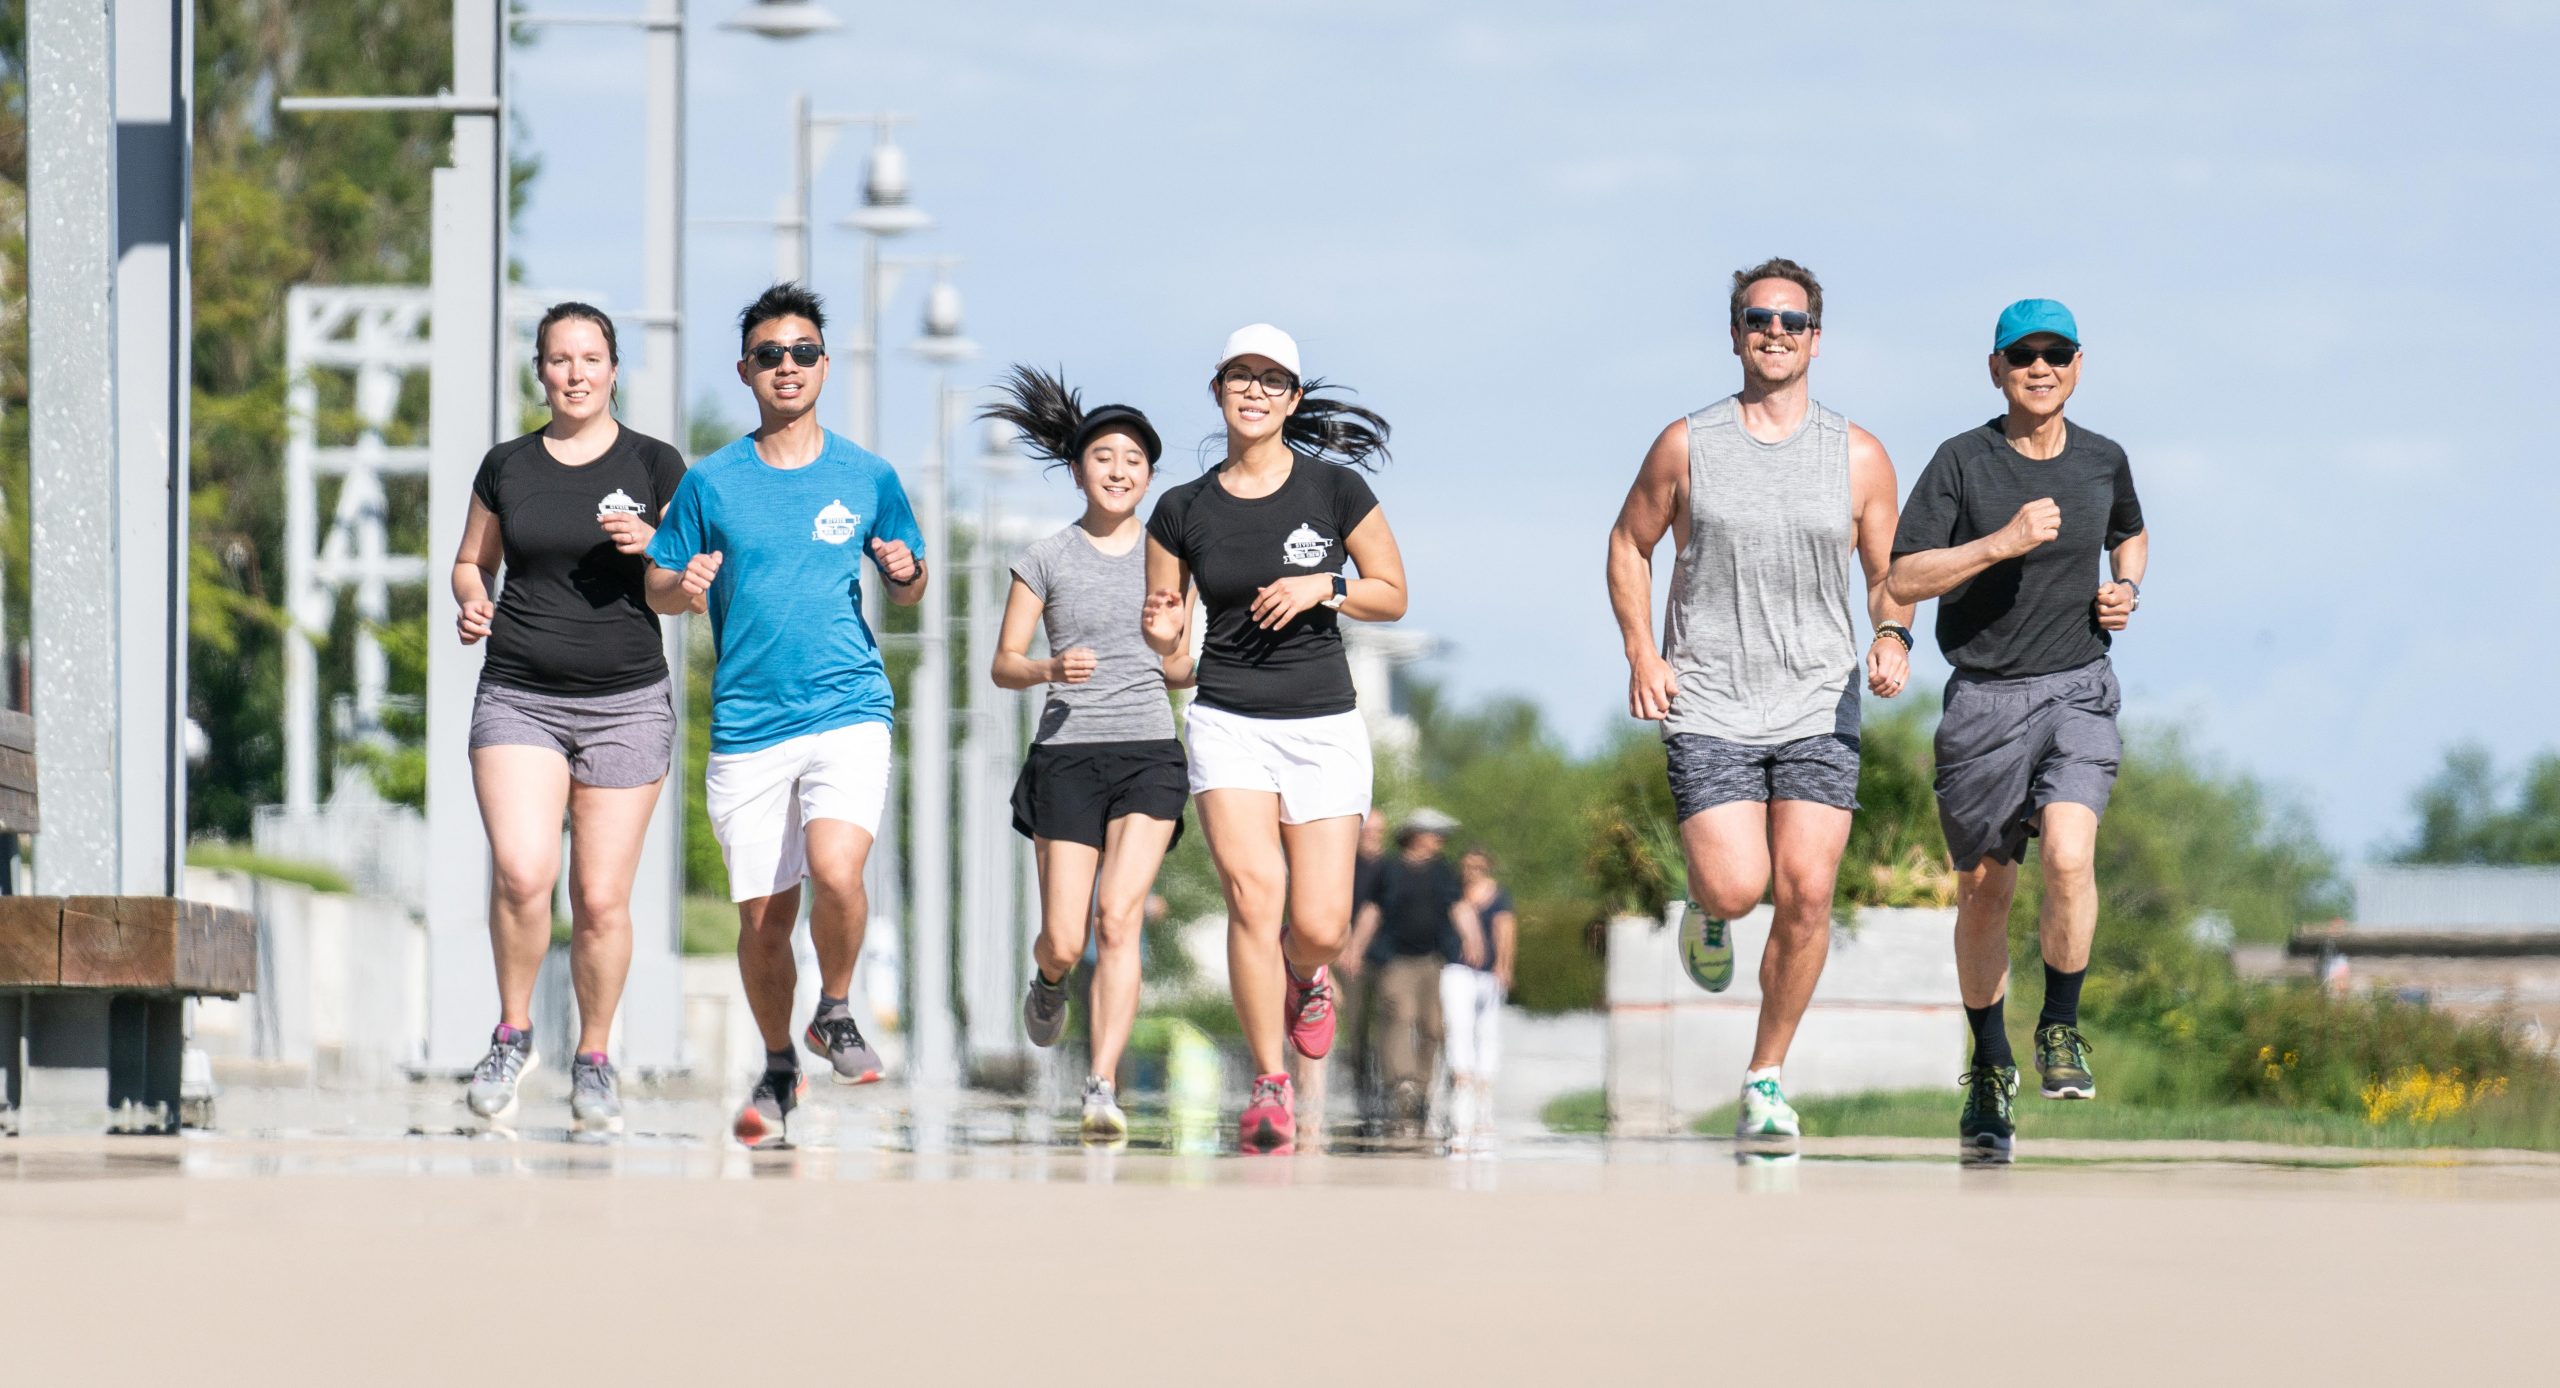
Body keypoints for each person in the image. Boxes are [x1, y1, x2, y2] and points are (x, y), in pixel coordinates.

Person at [1605, 257, 1913, 1142]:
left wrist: (1892, 634)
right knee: (1738, 888)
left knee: (1808, 891)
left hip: (1819, 697)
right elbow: (1629, 545)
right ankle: (1708, 911)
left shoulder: (1858, 455)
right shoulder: (1686, 444)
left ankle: (1765, 1076)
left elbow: (1888, 575)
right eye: (1759, 319)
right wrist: (1642, 652)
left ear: (1817, 339)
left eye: (1792, 321)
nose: (1775, 332)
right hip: (1709, 697)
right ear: (1736, 334)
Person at [643, 283, 928, 1146]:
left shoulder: (867, 475)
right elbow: (658, 584)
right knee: (764, 923)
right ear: (746, 372)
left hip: (848, 704)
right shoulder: (711, 481)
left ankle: (834, 1009)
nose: (787, 367)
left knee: (838, 871)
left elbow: (912, 586)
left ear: (825, 366)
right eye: (770, 355)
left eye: (803, 352)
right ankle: (777, 1065)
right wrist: (681, 586)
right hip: (749, 722)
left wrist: (904, 570)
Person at [1886, 298, 2147, 1159]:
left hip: (2079, 689)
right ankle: (1990, 1063)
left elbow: (2132, 535)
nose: (2041, 367)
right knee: (1985, 891)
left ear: (2078, 366)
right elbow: (1904, 576)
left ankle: (2060, 1028)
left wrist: (2126, 589)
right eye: (2023, 354)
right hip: (1985, 701)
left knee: (2070, 854)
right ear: (1996, 369)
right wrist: (2000, 542)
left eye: (2057, 353)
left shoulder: (2104, 459)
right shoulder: (1962, 462)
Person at [1143, 324, 1408, 1151]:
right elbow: (1173, 657)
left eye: (1271, 380)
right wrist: (1161, 640)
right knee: (1253, 897)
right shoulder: (1180, 510)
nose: (1253, 392)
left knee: (1321, 924)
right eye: (1240, 377)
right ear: (1218, 389)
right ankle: (1268, 1083)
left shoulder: (1335, 489)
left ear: (1293, 400)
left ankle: (1308, 972)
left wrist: (1324, 585)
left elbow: (1392, 593)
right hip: (1227, 720)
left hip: (1323, 723)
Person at [451, 302, 690, 1134]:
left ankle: (593, 1057)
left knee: (599, 898)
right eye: (560, 359)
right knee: (523, 874)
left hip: (627, 702)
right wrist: (473, 600)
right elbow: (471, 561)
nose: (576, 373)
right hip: (520, 692)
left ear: (615, 371)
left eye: (591, 358)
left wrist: (656, 550)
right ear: (541, 372)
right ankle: (512, 1034)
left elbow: (675, 594)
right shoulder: (507, 465)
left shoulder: (656, 464)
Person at [982, 366, 1194, 1144]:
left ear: (1149, 477)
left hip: (1148, 752)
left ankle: (1101, 1085)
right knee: (1067, 938)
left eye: (1134, 460)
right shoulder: (1045, 557)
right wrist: (1048, 667)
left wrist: (1169, 641)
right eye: (1104, 457)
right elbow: (1004, 663)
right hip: (1068, 753)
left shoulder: (1173, 560)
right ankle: (1049, 980)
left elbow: (1180, 669)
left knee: (1119, 916)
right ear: (1078, 470)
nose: (1118, 470)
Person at [1345, 808, 1464, 1139]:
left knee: (1433, 1027)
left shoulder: (1442, 871)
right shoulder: (1390, 870)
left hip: (1431, 960)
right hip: (1395, 961)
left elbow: (1458, 907)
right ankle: (1402, 1084)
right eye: (1435, 835)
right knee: (1400, 1015)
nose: (1440, 841)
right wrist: (1355, 947)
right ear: (1415, 836)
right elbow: (1372, 911)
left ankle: (1422, 1089)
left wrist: (1473, 938)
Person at [1442, 846, 1516, 1150]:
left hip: (1487, 973)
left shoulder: (1499, 896)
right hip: (1457, 968)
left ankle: (1484, 1082)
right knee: (1457, 1024)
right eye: (1467, 865)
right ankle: (1461, 1075)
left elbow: (1505, 929)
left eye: (1477, 866)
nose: (1471, 871)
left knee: (1487, 1029)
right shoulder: (1453, 892)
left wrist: (1504, 964)